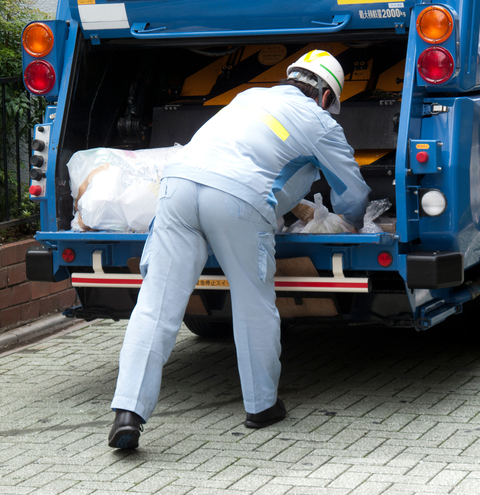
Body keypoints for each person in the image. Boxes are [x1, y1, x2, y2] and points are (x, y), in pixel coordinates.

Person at [108, 49, 370, 449]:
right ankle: (262, 405)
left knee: (156, 304)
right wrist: (352, 223)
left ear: (291, 78)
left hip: (178, 186)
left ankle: (128, 412)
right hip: (237, 199)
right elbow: (351, 190)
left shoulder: (248, 97)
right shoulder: (318, 121)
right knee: (253, 301)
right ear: (326, 97)